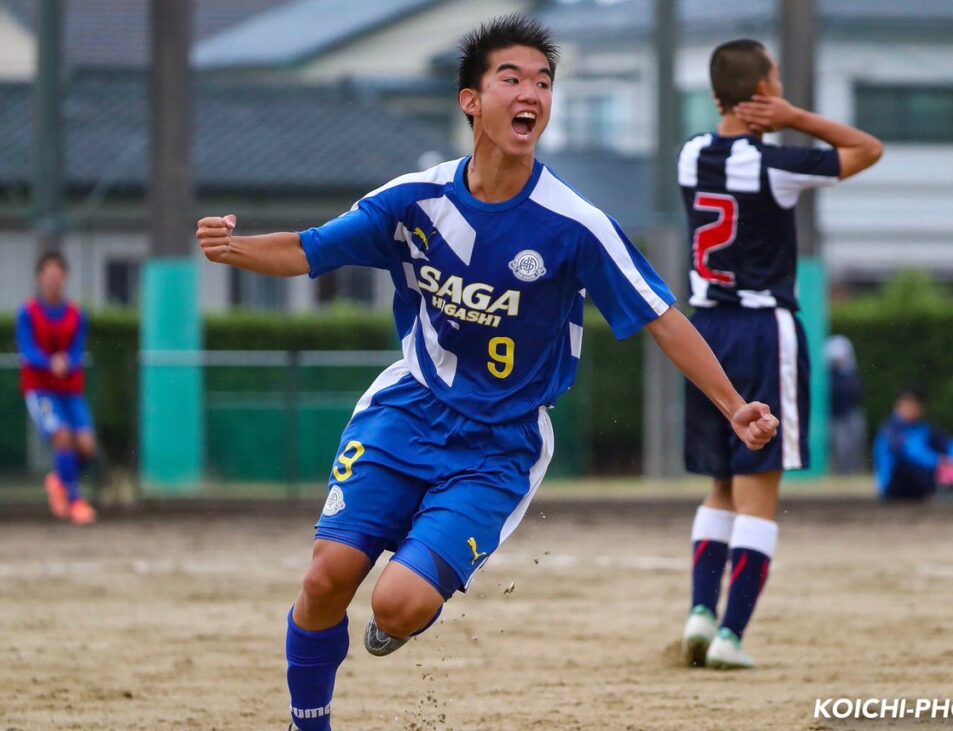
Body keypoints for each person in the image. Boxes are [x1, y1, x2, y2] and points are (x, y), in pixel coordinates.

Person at [197, 16, 779, 729]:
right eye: (512, 78)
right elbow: (313, 248)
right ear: (471, 100)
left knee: (396, 603)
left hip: (498, 444)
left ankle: (406, 606)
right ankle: (307, 722)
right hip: (407, 407)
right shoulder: (417, 199)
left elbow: (662, 315)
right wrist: (233, 249)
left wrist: (732, 405)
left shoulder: (573, 224)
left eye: (543, 81)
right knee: (325, 578)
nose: (530, 92)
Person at [678, 39, 883, 669]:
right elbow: (867, 149)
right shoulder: (774, 164)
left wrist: (768, 113)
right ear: (765, 92)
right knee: (758, 491)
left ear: (716, 95)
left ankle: (700, 611)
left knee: (720, 484)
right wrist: (795, 118)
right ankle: (731, 637)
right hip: (766, 329)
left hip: (706, 331)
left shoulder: (690, 156)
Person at [17, 251, 98, 525]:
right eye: (48, 275)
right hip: (41, 390)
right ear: (40, 278)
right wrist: (50, 362)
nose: (53, 281)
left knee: (86, 446)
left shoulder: (76, 314)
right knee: (62, 436)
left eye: (58, 276)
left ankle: (58, 480)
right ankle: (75, 501)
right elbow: (27, 350)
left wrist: (68, 362)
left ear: (65, 278)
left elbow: (77, 352)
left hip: (71, 390)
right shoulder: (27, 313)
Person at [874, 389, 953, 501]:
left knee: (951, 455)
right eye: (907, 404)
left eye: (914, 405)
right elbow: (912, 453)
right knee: (913, 461)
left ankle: (948, 489)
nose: (910, 408)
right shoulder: (891, 429)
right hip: (893, 484)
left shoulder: (925, 428)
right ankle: (944, 490)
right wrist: (940, 462)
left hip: (918, 485)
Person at [826, 334, 866, 474]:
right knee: (842, 446)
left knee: (856, 443)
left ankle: (854, 471)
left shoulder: (851, 372)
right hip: (838, 415)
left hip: (852, 412)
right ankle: (842, 472)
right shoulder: (830, 375)